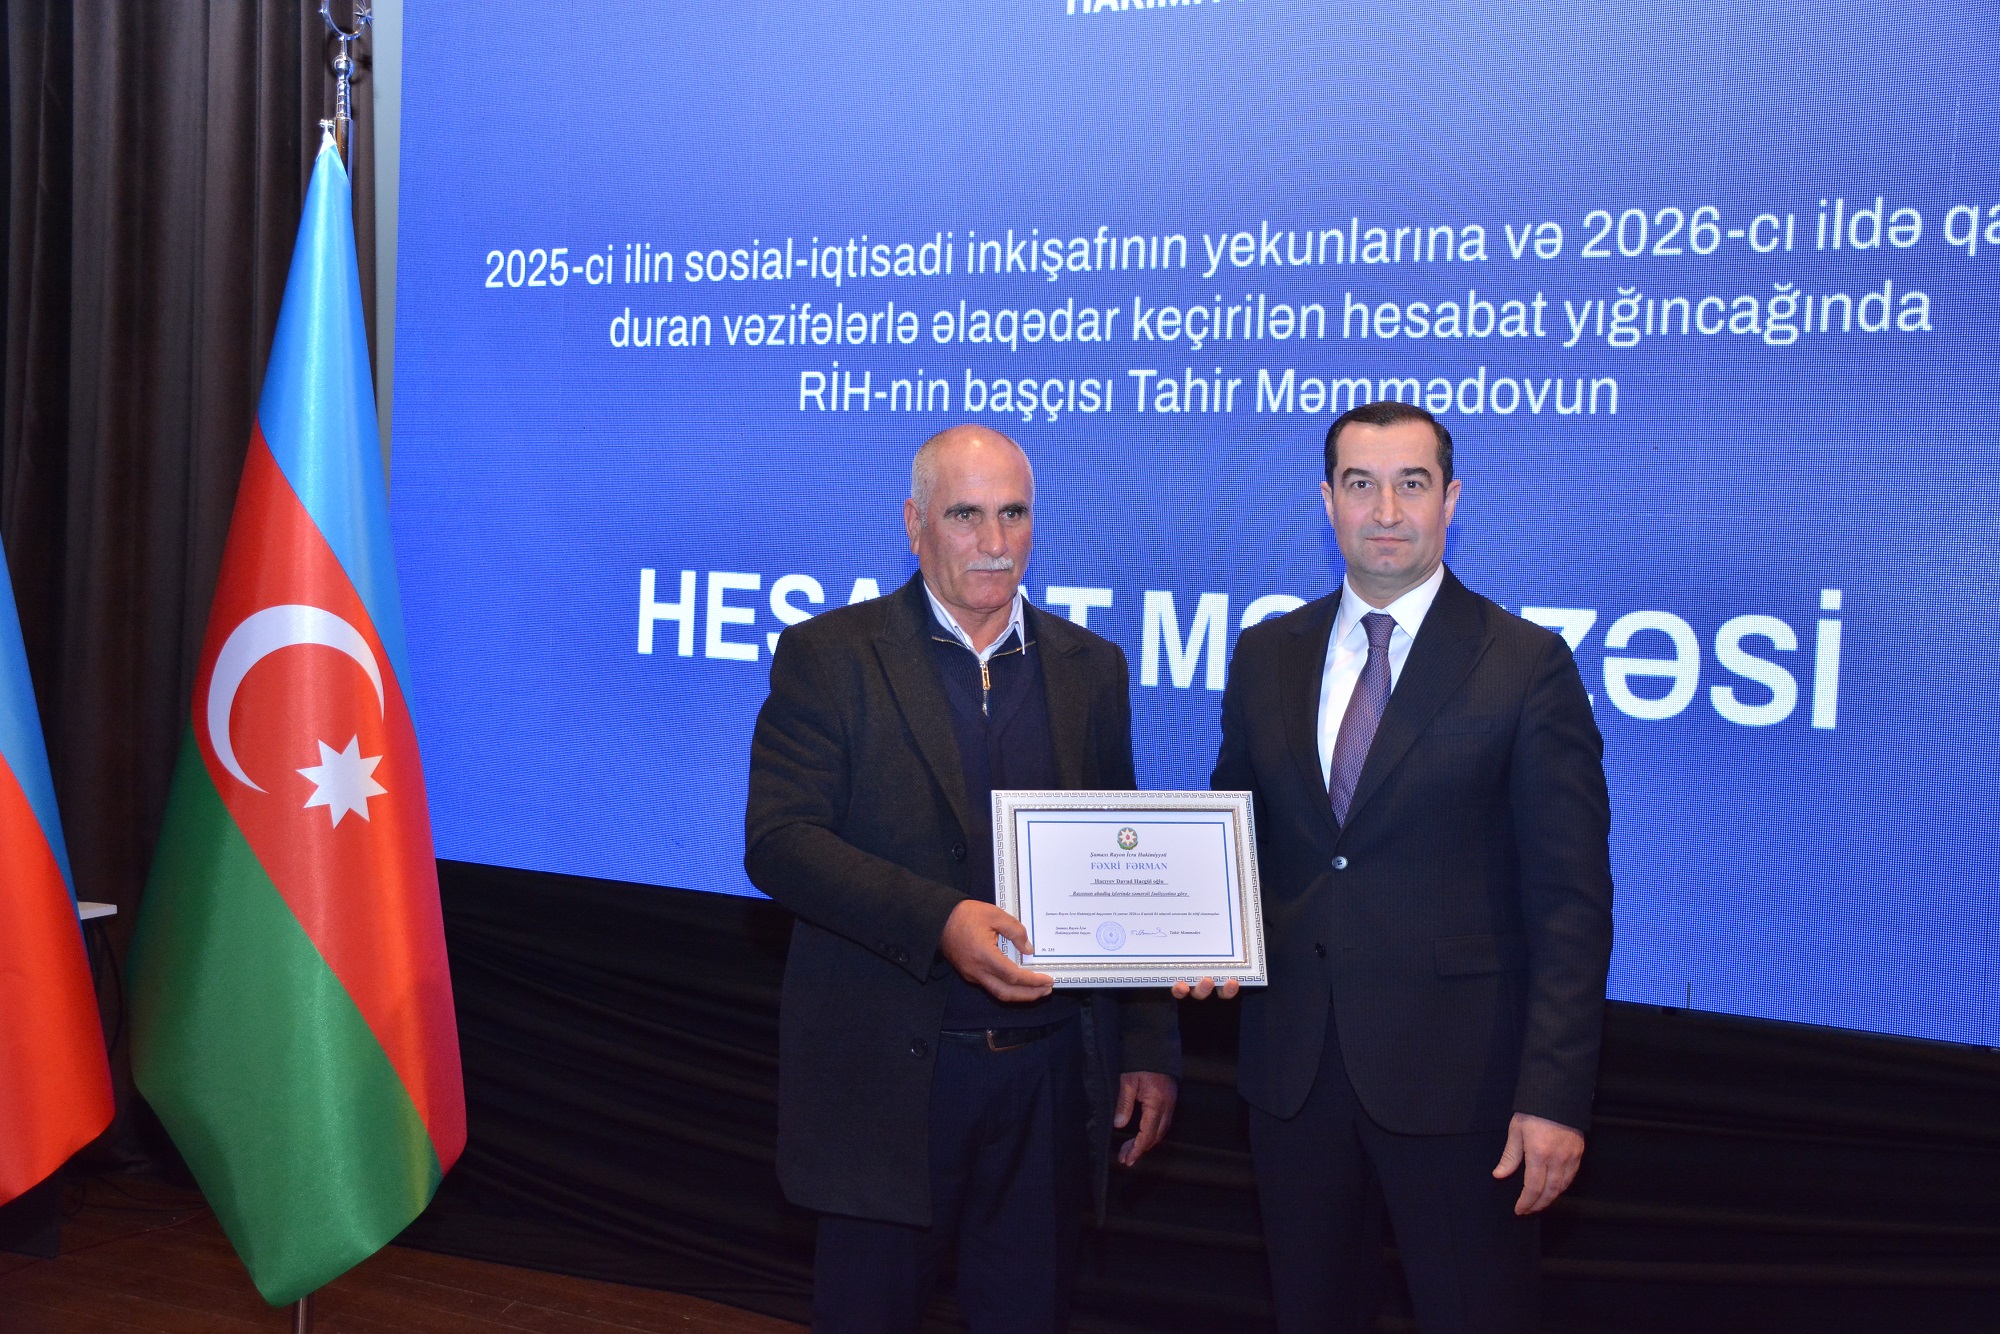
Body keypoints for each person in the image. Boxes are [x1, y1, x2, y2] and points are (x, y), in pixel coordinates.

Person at [1185, 401, 1613, 1333]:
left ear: (1450, 500)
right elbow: (1237, 838)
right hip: (1292, 1080)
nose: (1386, 511)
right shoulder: (1266, 655)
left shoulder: (1526, 665)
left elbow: (1571, 905)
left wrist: (1553, 1097)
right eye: (1361, 485)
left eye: (1411, 484)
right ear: (1327, 501)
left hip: (1464, 1091)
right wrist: (1200, 934)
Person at [745, 424, 1181, 1333]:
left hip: (1051, 1081)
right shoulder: (831, 656)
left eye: (1013, 514)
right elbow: (781, 842)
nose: (993, 541)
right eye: (965, 515)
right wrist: (940, 920)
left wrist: (1145, 1039)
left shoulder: (1091, 668)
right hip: (892, 1081)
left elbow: (1120, 861)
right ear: (915, 524)